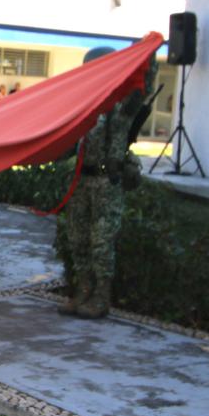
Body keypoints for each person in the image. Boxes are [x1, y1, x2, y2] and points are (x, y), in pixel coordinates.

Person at [59, 45, 155, 319]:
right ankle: (83, 291)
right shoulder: (84, 103)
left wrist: (145, 50)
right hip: (81, 180)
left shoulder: (122, 103)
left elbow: (143, 84)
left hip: (105, 181)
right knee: (78, 239)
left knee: (100, 242)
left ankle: (101, 298)